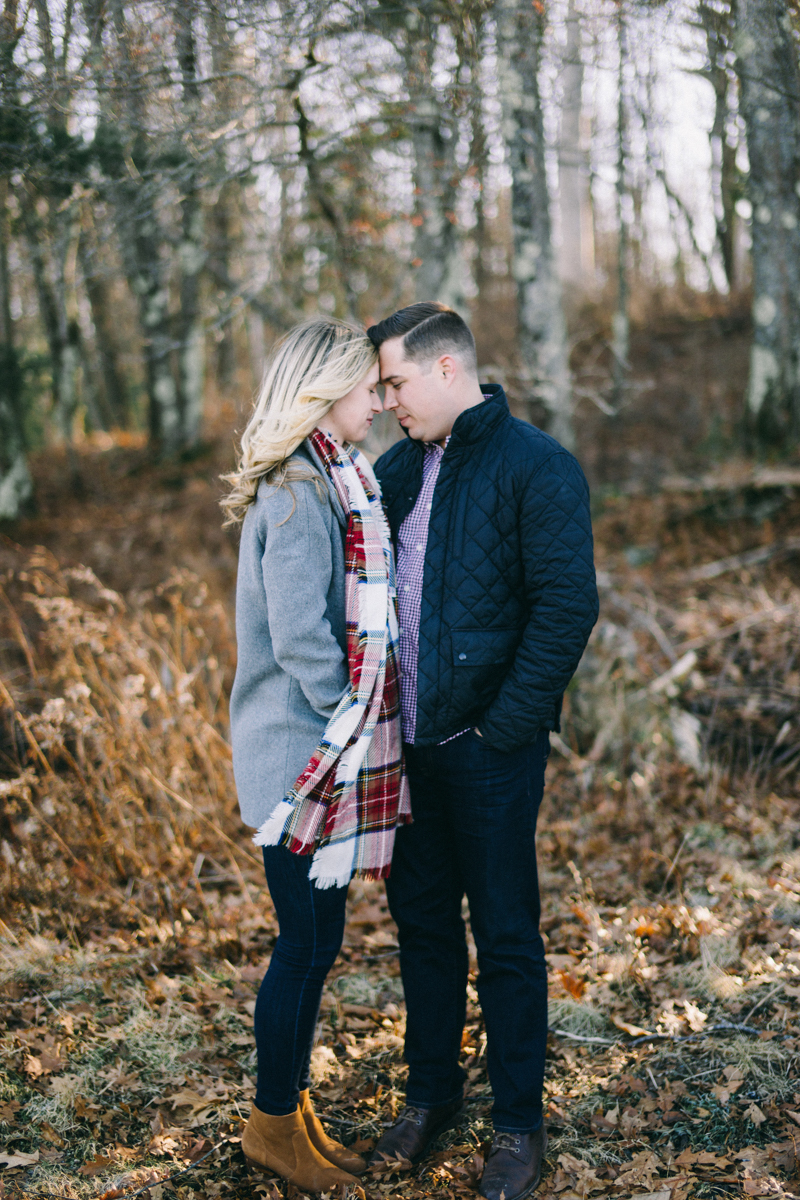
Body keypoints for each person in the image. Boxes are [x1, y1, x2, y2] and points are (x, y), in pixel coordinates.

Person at [367, 302, 599, 1200]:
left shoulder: (536, 467)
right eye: (381, 386)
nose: (387, 401)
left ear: (446, 370)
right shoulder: (393, 471)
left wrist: (503, 727)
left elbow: (565, 609)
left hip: (489, 752)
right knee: (422, 931)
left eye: (395, 382)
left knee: (504, 936)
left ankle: (517, 1128)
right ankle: (430, 1097)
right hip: (406, 751)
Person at [222, 318, 410, 1193]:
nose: (379, 399)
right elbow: (302, 641)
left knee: (314, 941)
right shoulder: (300, 494)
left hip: (311, 756)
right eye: (369, 386)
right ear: (329, 390)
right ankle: (272, 1127)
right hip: (300, 760)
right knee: (303, 945)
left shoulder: (327, 479)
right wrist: (359, 719)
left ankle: (291, 1115)